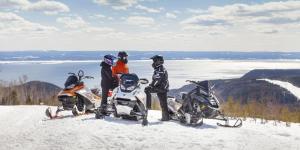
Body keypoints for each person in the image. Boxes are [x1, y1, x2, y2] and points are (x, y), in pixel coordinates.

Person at [144, 55, 170, 121]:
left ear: (158, 62)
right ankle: (165, 117)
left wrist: (151, 86)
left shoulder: (160, 69)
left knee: (147, 90)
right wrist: (151, 85)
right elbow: (156, 80)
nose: (153, 63)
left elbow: (157, 80)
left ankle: (148, 108)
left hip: (161, 88)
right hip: (162, 87)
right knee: (163, 103)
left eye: (154, 61)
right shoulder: (159, 69)